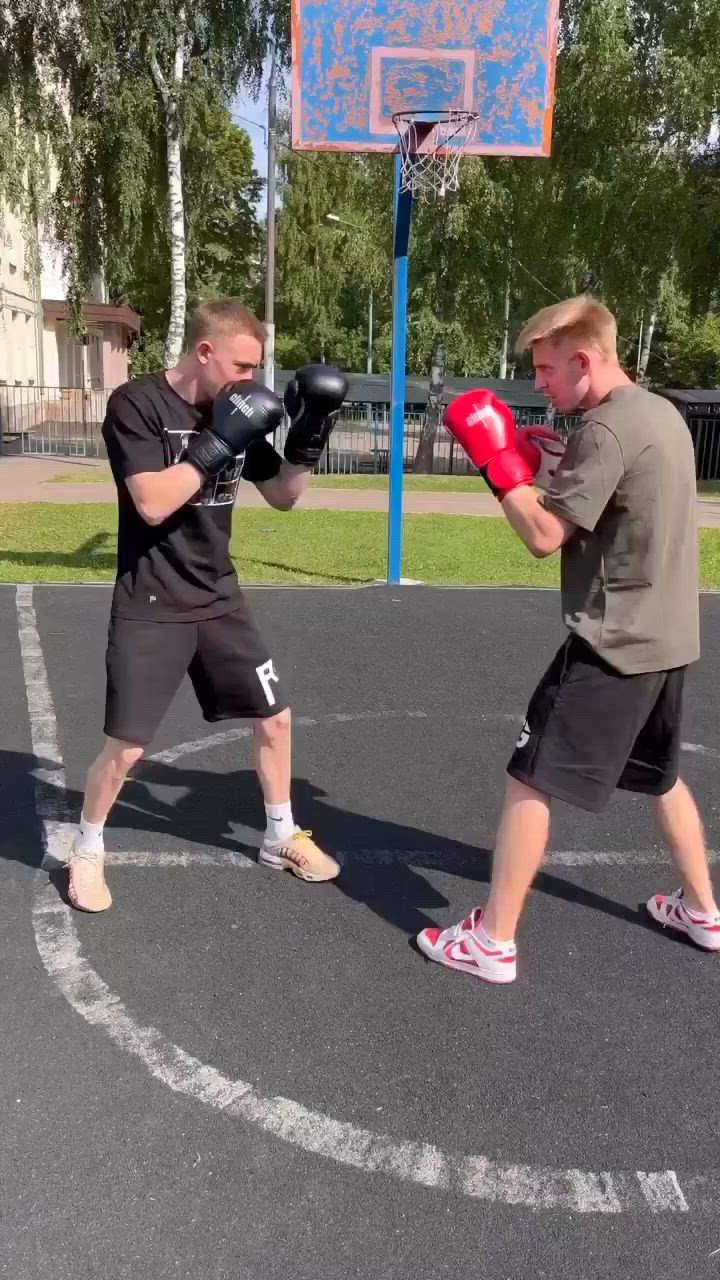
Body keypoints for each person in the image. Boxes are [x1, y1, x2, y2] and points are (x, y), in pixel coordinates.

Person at [418, 294, 720, 984]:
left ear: (585, 360)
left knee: (529, 777)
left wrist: (501, 466)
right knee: (661, 777)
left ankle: (493, 941)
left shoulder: (605, 431)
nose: (542, 386)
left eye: (549, 370)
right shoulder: (659, 413)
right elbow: (618, 505)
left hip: (613, 642)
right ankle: (702, 910)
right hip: (667, 637)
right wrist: (549, 469)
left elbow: (544, 536)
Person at [67, 297, 347, 912]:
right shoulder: (136, 405)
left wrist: (310, 433)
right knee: (128, 748)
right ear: (204, 351)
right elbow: (152, 502)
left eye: (258, 369)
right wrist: (219, 440)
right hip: (152, 597)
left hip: (219, 593)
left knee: (275, 717)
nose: (253, 380)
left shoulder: (237, 409)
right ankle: (86, 849)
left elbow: (282, 496)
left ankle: (280, 836)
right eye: (243, 366)